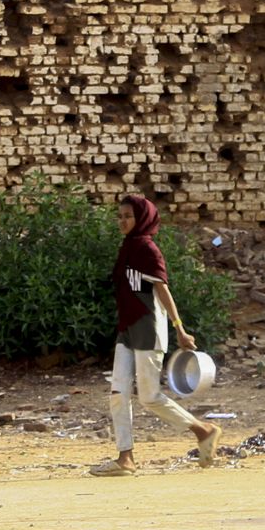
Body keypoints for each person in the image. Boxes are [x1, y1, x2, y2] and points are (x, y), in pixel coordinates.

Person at [90, 195, 220, 477]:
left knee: (149, 397)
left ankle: (204, 430)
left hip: (148, 328)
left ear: (141, 218)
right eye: (120, 216)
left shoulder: (148, 250)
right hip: (127, 330)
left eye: (128, 216)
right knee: (118, 393)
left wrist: (180, 328)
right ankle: (125, 458)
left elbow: (162, 291)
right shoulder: (127, 248)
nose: (122, 221)